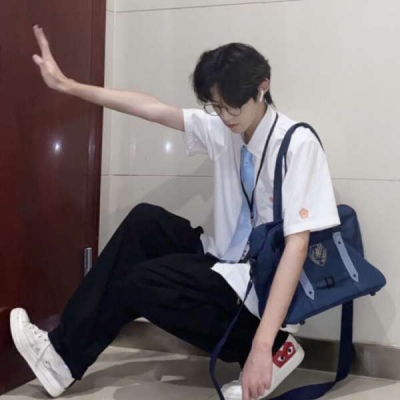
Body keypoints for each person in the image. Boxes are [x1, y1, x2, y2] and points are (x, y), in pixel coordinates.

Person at [10, 25, 340, 400]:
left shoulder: (297, 145)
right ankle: (62, 358)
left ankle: (272, 345)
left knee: (141, 283)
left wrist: (262, 347)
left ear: (262, 87)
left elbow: (298, 246)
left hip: (259, 285)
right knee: (144, 221)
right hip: (226, 261)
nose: (225, 116)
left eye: (232, 106)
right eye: (216, 106)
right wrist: (69, 85)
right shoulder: (227, 130)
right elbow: (152, 109)